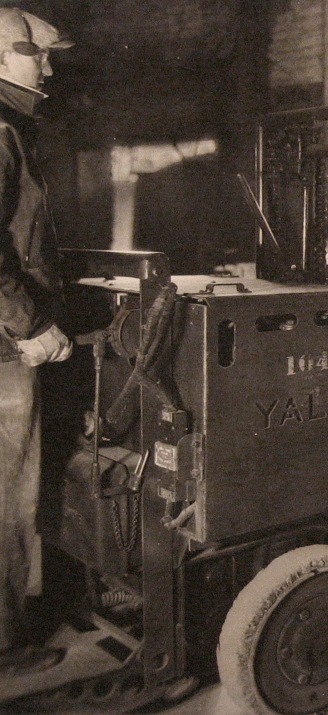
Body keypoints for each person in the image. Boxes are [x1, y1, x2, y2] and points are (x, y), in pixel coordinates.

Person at [0, 7, 74, 676]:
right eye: (37, 55)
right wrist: (31, 326)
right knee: (8, 497)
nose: (47, 69)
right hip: (6, 352)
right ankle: (6, 645)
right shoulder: (0, 134)